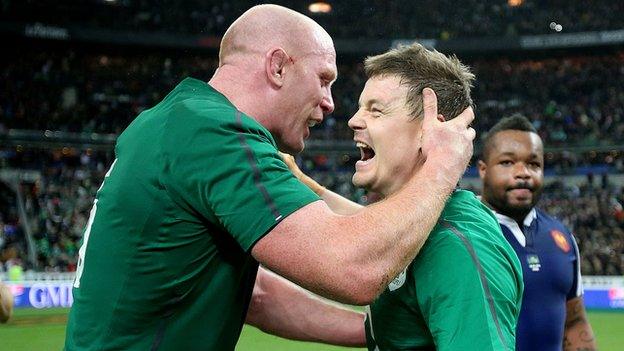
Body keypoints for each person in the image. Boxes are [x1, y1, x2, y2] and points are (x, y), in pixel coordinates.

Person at [64, 4, 475, 350]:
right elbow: (351, 269)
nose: (331, 104)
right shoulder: (216, 133)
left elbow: (257, 296)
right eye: (324, 80)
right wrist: (443, 164)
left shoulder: (176, 120)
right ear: (277, 67)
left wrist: (373, 332)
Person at [288, 43, 523, 350]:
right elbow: (364, 224)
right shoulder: (421, 223)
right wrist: (306, 185)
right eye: (361, 108)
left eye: (376, 110)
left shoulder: (456, 245)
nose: (354, 120)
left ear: (431, 130)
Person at [478, 115, 597, 351]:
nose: (523, 173)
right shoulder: (461, 232)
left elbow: (574, 323)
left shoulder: (561, 238)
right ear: (483, 169)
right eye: (507, 163)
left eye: (534, 164)